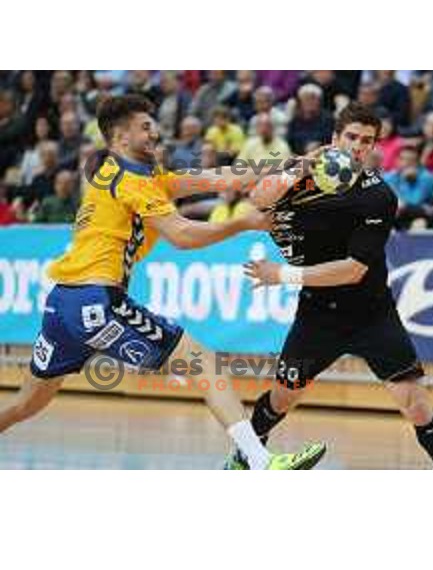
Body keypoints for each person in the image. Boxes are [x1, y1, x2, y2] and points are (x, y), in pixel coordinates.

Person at [0, 94, 325, 471]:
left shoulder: (136, 175)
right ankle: (258, 462)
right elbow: (182, 235)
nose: (156, 132)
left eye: (154, 124)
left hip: (62, 305)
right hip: (96, 301)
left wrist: (294, 164)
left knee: (26, 404)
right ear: (121, 139)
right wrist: (241, 223)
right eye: (145, 127)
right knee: (203, 363)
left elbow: (225, 177)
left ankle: (254, 460)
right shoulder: (133, 182)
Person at [225, 102, 433, 470]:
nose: (357, 146)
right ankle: (244, 462)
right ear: (334, 138)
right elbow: (257, 199)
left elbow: (353, 270)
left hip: (372, 314)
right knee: (281, 398)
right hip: (318, 315)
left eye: (366, 140)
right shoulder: (302, 176)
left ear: (373, 147)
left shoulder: (378, 197)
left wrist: (281, 275)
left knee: (415, 403)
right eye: (351, 137)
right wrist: (301, 165)